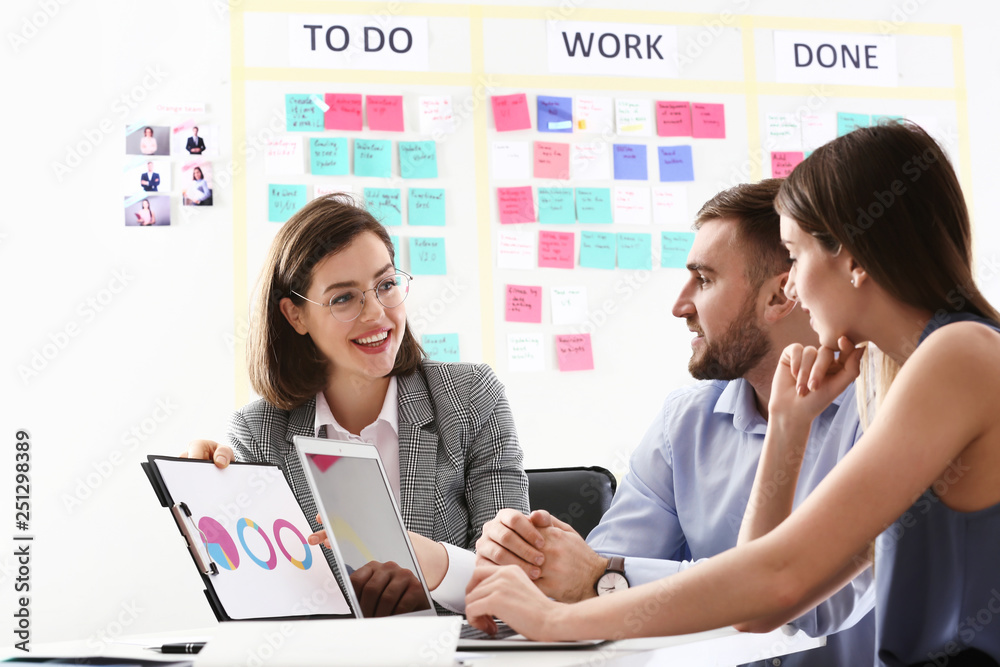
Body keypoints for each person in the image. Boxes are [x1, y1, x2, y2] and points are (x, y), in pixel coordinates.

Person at [466, 122, 1000, 666]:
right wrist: (788, 427)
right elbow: (759, 608)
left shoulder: (959, 355)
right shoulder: (916, 372)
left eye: (796, 255)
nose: (791, 287)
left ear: (855, 257)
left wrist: (559, 620)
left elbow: (778, 580)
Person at [469, 179, 875, 666]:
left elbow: (801, 601)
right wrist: (540, 557)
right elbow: (601, 568)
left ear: (780, 296)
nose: (681, 305)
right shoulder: (685, 420)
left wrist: (601, 578)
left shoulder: (877, 414)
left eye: (704, 280)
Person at [182, 193, 528, 616]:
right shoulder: (259, 435)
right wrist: (209, 506)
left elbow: (516, 578)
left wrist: (432, 568)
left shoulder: (469, 397)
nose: (377, 314)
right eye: (344, 298)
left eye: (385, 285)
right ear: (296, 316)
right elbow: (264, 605)